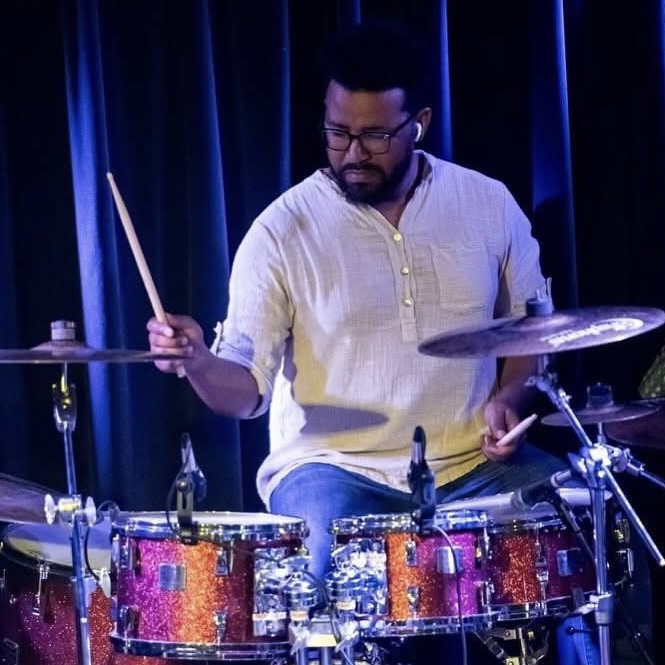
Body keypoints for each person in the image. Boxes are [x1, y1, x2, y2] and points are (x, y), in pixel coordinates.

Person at [148, 19, 610, 665]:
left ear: (417, 122)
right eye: (337, 133)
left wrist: (509, 395)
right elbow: (242, 392)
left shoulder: (487, 202)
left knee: (584, 529)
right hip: (332, 466)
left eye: (373, 136)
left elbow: (531, 329)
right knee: (317, 592)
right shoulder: (281, 229)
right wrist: (196, 361)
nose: (352, 153)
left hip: (472, 464)